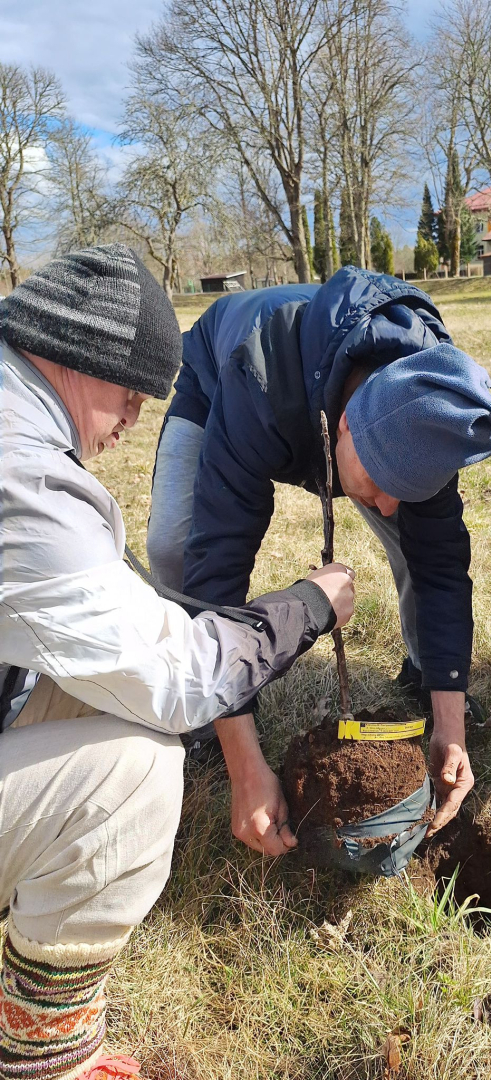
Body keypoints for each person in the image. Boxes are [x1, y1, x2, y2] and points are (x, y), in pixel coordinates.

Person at [0, 244, 356, 1080]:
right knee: (137, 769)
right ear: (73, 359)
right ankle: (43, 1054)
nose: (132, 422)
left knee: (94, 684)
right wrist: (306, 606)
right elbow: (176, 680)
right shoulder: (23, 482)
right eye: (130, 395)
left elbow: (118, 622)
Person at [146, 266, 491, 852]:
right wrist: (246, 766)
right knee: (174, 543)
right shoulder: (257, 379)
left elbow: (443, 568)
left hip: (330, 412)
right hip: (220, 379)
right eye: (377, 483)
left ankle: (425, 673)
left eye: (406, 488)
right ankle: (194, 701)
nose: (388, 504)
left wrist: (451, 729)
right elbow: (219, 565)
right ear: (346, 425)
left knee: (415, 543)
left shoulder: (424, 407)